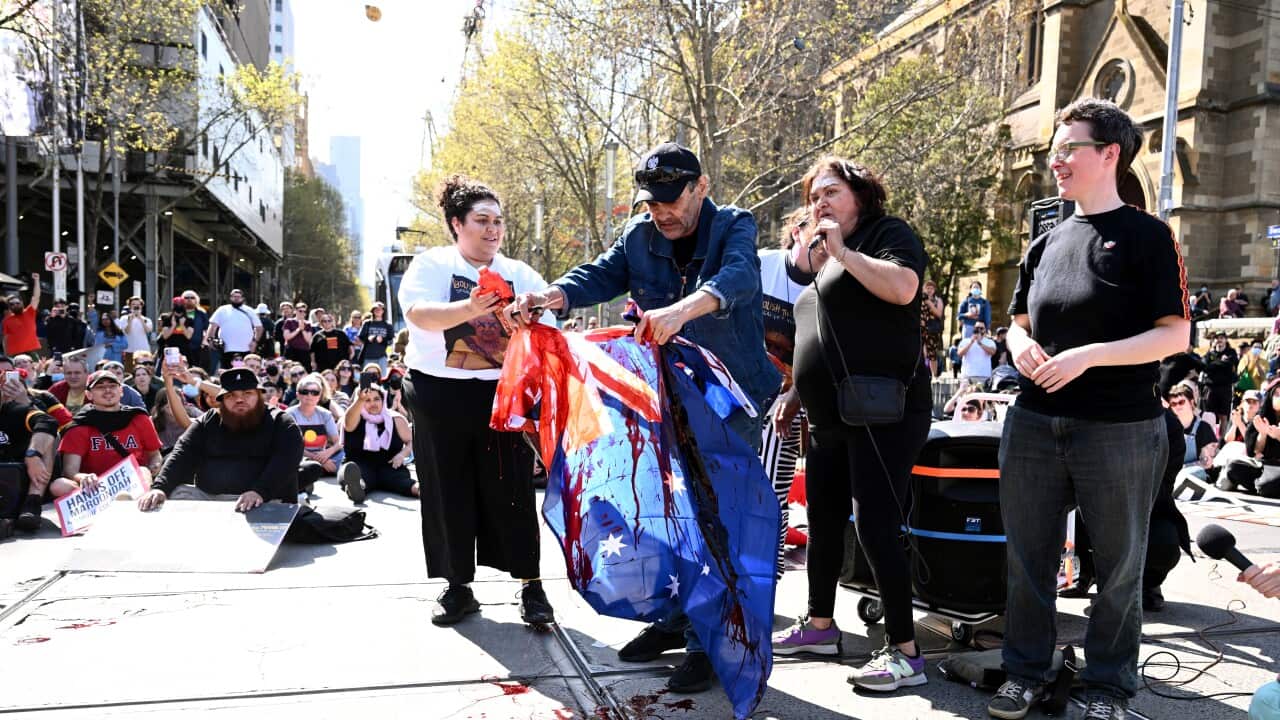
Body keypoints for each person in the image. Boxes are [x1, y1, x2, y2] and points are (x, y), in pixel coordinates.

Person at [509, 142, 779, 691]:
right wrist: (551, 296)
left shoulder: (734, 226)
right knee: (667, 510)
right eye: (652, 203)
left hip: (731, 398)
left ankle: (709, 644)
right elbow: (600, 275)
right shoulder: (639, 234)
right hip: (667, 396)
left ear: (700, 187)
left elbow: (740, 278)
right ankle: (675, 617)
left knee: (713, 516)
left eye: (671, 200)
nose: (661, 213)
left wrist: (682, 310)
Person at [989, 98, 1190, 720]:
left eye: (1069, 146)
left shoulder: (1149, 236)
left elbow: (1175, 335)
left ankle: (1107, 686)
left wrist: (1088, 356)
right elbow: (1017, 323)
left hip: (1121, 427)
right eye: (1056, 146)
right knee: (1027, 561)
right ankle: (1023, 671)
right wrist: (1020, 345)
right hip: (1032, 422)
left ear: (1109, 154)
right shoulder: (1045, 239)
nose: (1056, 158)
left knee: (1120, 569)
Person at [773, 156, 933, 693]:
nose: (819, 201)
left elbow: (905, 288)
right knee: (822, 521)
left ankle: (906, 653)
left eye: (831, 191)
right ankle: (820, 626)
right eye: (814, 195)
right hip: (828, 416)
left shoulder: (887, 234)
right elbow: (827, 330)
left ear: (861, 196)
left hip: (884, 411)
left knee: (874, 524)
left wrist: (842, 251)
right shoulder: (825, 259)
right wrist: (798, 388)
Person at [398, 174, 555, 630]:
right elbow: (418, 315)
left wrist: (533, 309)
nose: (492, 230)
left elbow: (549, 316)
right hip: (437, 393)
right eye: (482, 221)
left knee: (513, 492)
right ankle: (457, 586)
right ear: (456, 224)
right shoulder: (431, 265)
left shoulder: (519, 271)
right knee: (447, 489)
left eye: (498, 222)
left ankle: (531, 586)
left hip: (500, 395)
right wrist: (473, 307)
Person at [758, 206, 826, 580]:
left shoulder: (831, 283)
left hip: (789, 400)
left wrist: (795, 395)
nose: (825, 249)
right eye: (818, 237)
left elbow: (821, 352)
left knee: (773, 493)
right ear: (799, 232)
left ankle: (766, 580)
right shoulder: (762, 265)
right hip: (742, 392)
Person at [137, 368, 303, 512]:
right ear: (222, 400)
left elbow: (285, 461)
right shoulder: (209, 420)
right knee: (173, 496)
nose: (239, 399)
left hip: (263, 500)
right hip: (209, 500)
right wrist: (160, 488)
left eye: (247, 393)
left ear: (259, 396)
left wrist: (259, 491)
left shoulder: (281, 422)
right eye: (231, 395)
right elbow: (182, 453)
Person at [49, 371, 164, 501]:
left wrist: (155, 464)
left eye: (112, 386)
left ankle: (133, 501)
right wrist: (83, 477)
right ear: (89, 394)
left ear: (121, 391)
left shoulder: (139, 418)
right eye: (100, 387)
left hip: (133, 482)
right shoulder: (79, 425)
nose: (108, 390)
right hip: (95, 489)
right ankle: (113, 501)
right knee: (58, 485)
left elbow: (154, 454)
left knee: (143, 471)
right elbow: (70, 470)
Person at [338, 382, 416, 502]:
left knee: (406, 484)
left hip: (389, 466)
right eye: (367, 400)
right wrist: (360, 399)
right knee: (357, 477)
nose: (373, 403)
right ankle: (357, 490)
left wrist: (402, 454)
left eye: (376, 399)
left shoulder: (396, 419)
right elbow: (348, 425)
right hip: (359, 465)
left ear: (383, 400)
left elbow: (411, 441)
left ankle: (424, 491)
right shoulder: (352, 417)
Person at [0, 373, 58, 533]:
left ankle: (33, 501)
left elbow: (48, 421)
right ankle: (6, 521)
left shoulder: (14, 411)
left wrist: (33, 454)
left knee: (47, 439)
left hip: (23, 475)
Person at [285, 373, 343, 493]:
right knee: (290, 458)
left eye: (314, 392)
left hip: (323, 455)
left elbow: (339, 442)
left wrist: (327, 453)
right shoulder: (289, 414)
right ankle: (307, 478)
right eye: (305, 392)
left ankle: (347, 478)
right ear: (298, 394)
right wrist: (318, 459)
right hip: (301, 455)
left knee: (344, 457)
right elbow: (291, 445)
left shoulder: (325, 414)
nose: (309, 395)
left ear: (319, 396)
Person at [205, 289, 262, 371]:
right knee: (226, 371)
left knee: (243, 371)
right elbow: (213, 326)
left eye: (239, 297)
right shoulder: (222, 309)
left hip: (245, 348)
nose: (236, 298)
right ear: (230, 298)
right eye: (234, 296)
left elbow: (259, 327)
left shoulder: (249, 310)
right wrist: (210, 339)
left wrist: (255, 342)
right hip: (226, 348)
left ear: (242, 298)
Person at [1202, 333, 1239, 426]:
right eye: (1216, 338)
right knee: (1210, 416)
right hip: (1211, 388)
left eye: (1221, 338)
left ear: (1226, 340)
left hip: (1225, 388)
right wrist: (1222, 362)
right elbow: (1204, 367)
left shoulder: (1231, 352)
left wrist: (1214, 364)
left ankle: (1222, 439)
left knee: (1223, 416)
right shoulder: (1209, 353)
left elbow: (1231, 363)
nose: (1219, 340)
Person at [3, 274, 42, 357]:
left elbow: (36, 297)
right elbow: (5, 338)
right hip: (14, 354)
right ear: (9, 307)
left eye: (17, 303)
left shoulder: (29, 312)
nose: (15, 305)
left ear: (22, 303)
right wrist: (6, 354)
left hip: (31, 352)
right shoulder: (7, 320)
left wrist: (37, 280)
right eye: (12, 304)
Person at [115, 296, 154, 371]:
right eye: (133, 304)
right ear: (129, 306)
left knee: (146, 370)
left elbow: (148, 331)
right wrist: (130, 319)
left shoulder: (146, 319)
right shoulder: (124, 318)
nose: (136, 306)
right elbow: (127, 331)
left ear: (141, 306)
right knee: (129, 371)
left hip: (143, 350)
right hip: (129, 350)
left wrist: (140, 318)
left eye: (138, 304)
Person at [275, 301, 313, 371]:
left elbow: (309, 340)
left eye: (304, 312)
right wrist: (298, 330)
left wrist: (303, 330)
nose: (302, 313)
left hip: (304, 351)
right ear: (295, 311)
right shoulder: (289, 322)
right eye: (300, 311)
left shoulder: (308, 324)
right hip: (291, 351)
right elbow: (286, 337)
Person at [357, 302, 393, 372]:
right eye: (376, 309)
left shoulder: (388, 325)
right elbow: (361, 337)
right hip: (368, 356)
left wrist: (382, 340)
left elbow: (391, 341)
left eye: (380, 309)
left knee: (382, 379)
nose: (378, 310)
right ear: (372, 311)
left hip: (382, 357)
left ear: (383, 311)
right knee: (367, 378)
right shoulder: (367, 323)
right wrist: (368, 339)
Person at [958, 322, 997, 386]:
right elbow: (960, 353)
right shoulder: (965, 341)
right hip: (967, 376)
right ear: (973, 329)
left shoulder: (990, 342)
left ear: (985, 330)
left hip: (984, 376)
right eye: (977, 328)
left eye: (981, 328)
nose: (979, 330)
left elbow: (993, 352)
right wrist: (971, 342)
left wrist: (980, 343)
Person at [178, 290, 209, 369]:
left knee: (197, 368)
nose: (189, 299)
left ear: (196, 300)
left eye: (192, 297)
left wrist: (204, 341)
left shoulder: (202, 313)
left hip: (197, 346)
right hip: (180, 346)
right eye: (186, 297)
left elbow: (206, 329)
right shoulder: (177, 312)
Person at [158, 296, 194, 361]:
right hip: (169, 349)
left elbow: (189, 336)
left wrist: (182, 325)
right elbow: (165, 336)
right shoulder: (167, 318)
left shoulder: (189, 320)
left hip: (184, 350)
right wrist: (173, 326)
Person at [921, 280, 944, 377]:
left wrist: (928, 302)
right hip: (921, 329)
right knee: (921, 352)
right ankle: (921, 374)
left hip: (932, 330)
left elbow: (939, 314)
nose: (929, 290)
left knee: (932, 354)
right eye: (927, 288)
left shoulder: (937, 300)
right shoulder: (919, 299)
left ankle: (934, 376)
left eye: (931, 288)